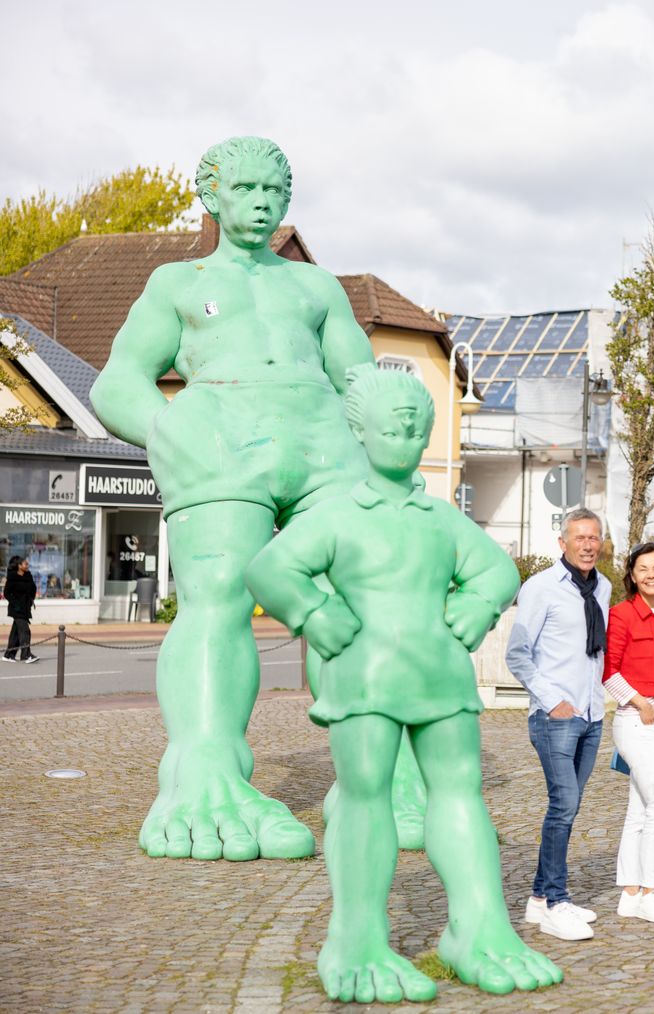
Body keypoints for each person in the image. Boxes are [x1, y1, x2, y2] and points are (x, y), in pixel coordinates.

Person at [91, 136, 423, 861]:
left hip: (324, 445)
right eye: (245, 189)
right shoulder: (176, 282)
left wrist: (391, 455)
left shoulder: (317, 287)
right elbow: (116, 383)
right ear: (212, 196)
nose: (262, 203)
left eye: (274, 192)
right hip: (221, 439)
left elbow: (358, 380)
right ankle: (203, 770)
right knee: (217, 597)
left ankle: (378, 766)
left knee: (366, 596)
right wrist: (168, 429)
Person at [245, 366, 556, 1001]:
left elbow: (496, 569)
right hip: (365, 678)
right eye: (393, 416)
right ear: (359, 429)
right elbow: (270, 568)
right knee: (365, 796)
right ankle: (355, 937)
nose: (408, 426)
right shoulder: (337, 515)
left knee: (461, 794)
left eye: (418, 418)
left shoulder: (441, 520)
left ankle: (478, 926)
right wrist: (314, 613)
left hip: (441, 675)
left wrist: (478, 606)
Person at [506, 508, 610, 941]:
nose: (587, 545)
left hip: (593, 715)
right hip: (555, 719)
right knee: (563, 804)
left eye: (594, 538)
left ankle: (536, 899)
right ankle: (556, 900)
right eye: (579, 537)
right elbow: (517, 654)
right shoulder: (540, 588)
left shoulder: (603, 587)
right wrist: (553, 701)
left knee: (568, 807)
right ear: (562, 542)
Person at [603, 544, 654, 925]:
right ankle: (651, 891)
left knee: (639, 810)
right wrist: (642, 703)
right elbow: (610, 671)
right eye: (643, 568)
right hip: (637, 721)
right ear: (632, 575)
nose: (651, 574)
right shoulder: (622, 614)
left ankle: (630, 893)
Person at [4, 557, 39, 663]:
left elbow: (33, 588)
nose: (27, 566)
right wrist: (15, 604)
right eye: (25, 564)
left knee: (16, 633)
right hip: (16, 609)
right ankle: (26, 655)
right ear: (19, 566)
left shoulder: (28, 576)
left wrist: (31, 599)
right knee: (25, 631)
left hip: (25, 608)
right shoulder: (12, 578)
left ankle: (9, 655)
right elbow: (6, 593)